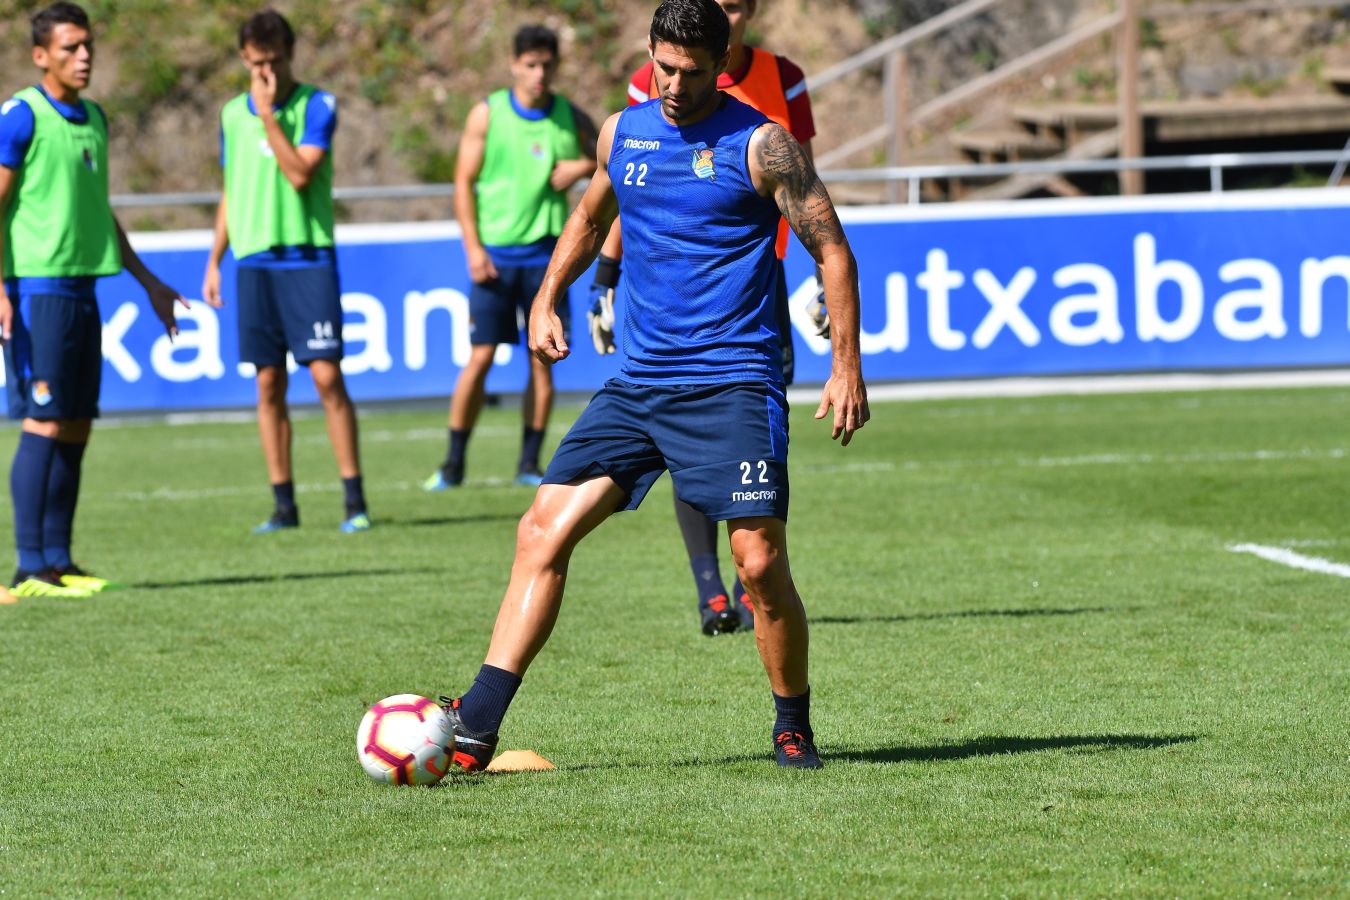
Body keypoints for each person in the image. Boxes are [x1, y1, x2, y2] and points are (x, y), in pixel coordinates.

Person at [438, 0, 869, 771]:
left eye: (691, 72)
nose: (673, 84)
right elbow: (591, 210)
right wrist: (549, 295)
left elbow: (832, 249)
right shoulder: (623, 130)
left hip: (735, 383)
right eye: (663, 67)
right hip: (639, 386)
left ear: (722, 58)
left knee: (760, 564)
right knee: (540, 530)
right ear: (651, 53)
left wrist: (846, 367)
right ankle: (475, 726)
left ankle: (792, 724)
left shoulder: (763, 145)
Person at [589, 0, 830, 636]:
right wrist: (605, 280)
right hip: (666, 291)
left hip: (756, 287)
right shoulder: (665, 77)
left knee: (742, 429)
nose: (676, 82)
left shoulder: (783, 78)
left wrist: (820, 283)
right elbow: (632, 190)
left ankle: (754, 582)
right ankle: (709, 589)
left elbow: (807, 187)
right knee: (677, 430)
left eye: (733, 3)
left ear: (746, 14)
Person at [0, 2, 187, 598]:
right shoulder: (19, 117)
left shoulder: (95, 119)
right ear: (40, 55)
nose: (83, 57)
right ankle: (28, 567)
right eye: (70, 47)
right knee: (46, 419)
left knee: (77, 424)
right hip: (36, 289)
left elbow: (98, 212)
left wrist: (148, 281)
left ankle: (58, 560)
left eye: (87, 46)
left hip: (83, 287)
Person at [202, 9, 369, 534]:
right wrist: (215, 258)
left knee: (325, 376)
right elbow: (232, 189)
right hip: (253, 261)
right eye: (256, 63)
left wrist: (270, 115)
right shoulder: (232, 114)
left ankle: (353, 500)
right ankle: (284, 504)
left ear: (289, 56)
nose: (265, 72)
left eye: (274, 61)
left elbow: (299, 174)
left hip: (307, 257)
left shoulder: (318, 105)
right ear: (244, 60)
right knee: (268, 382)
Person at [423, 25, 597, 492]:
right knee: (480, 358)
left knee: (542, 359)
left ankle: (528, 462)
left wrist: (582, 166)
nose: (540, 74)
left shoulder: (569, 116)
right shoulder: (488, 114)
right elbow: (462, 181)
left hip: (547, 259)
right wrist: (473, 248)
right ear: (514, 65)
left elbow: (609, 157)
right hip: (496, 257)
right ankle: (453, 462)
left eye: (547, 65)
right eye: (531, 64)